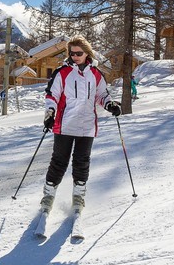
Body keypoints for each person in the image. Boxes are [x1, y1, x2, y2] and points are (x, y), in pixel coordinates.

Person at [39, 37, 121, 214]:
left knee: (82, 162)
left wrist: (110, 105)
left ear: (87, 53)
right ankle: (48, 196)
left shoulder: (96, 74)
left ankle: (78, 197)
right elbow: (52, 95)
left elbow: (102, 95)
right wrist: (50, 114)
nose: (75, 56)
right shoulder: (62, 72)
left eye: (79, 53)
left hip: (87, 126)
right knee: (59, 162)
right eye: (72, 53)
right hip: (64, 124)